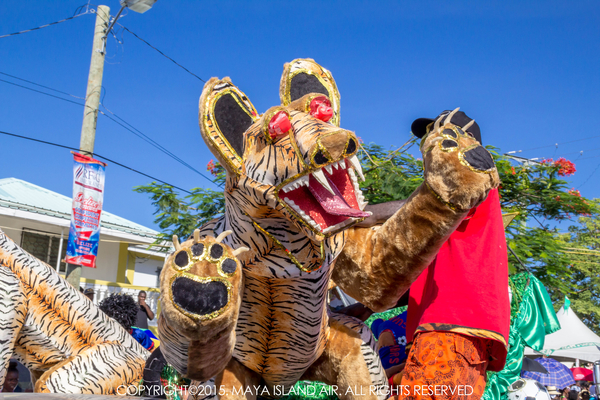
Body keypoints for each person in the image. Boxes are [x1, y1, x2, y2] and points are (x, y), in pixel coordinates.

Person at [401, 111, 510, 400]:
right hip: (459, 328)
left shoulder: (470, 175)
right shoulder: (467, 196)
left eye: (440, 135)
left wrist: (353, 218)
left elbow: (408, 214)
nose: (428, 145)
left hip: (450, 323)